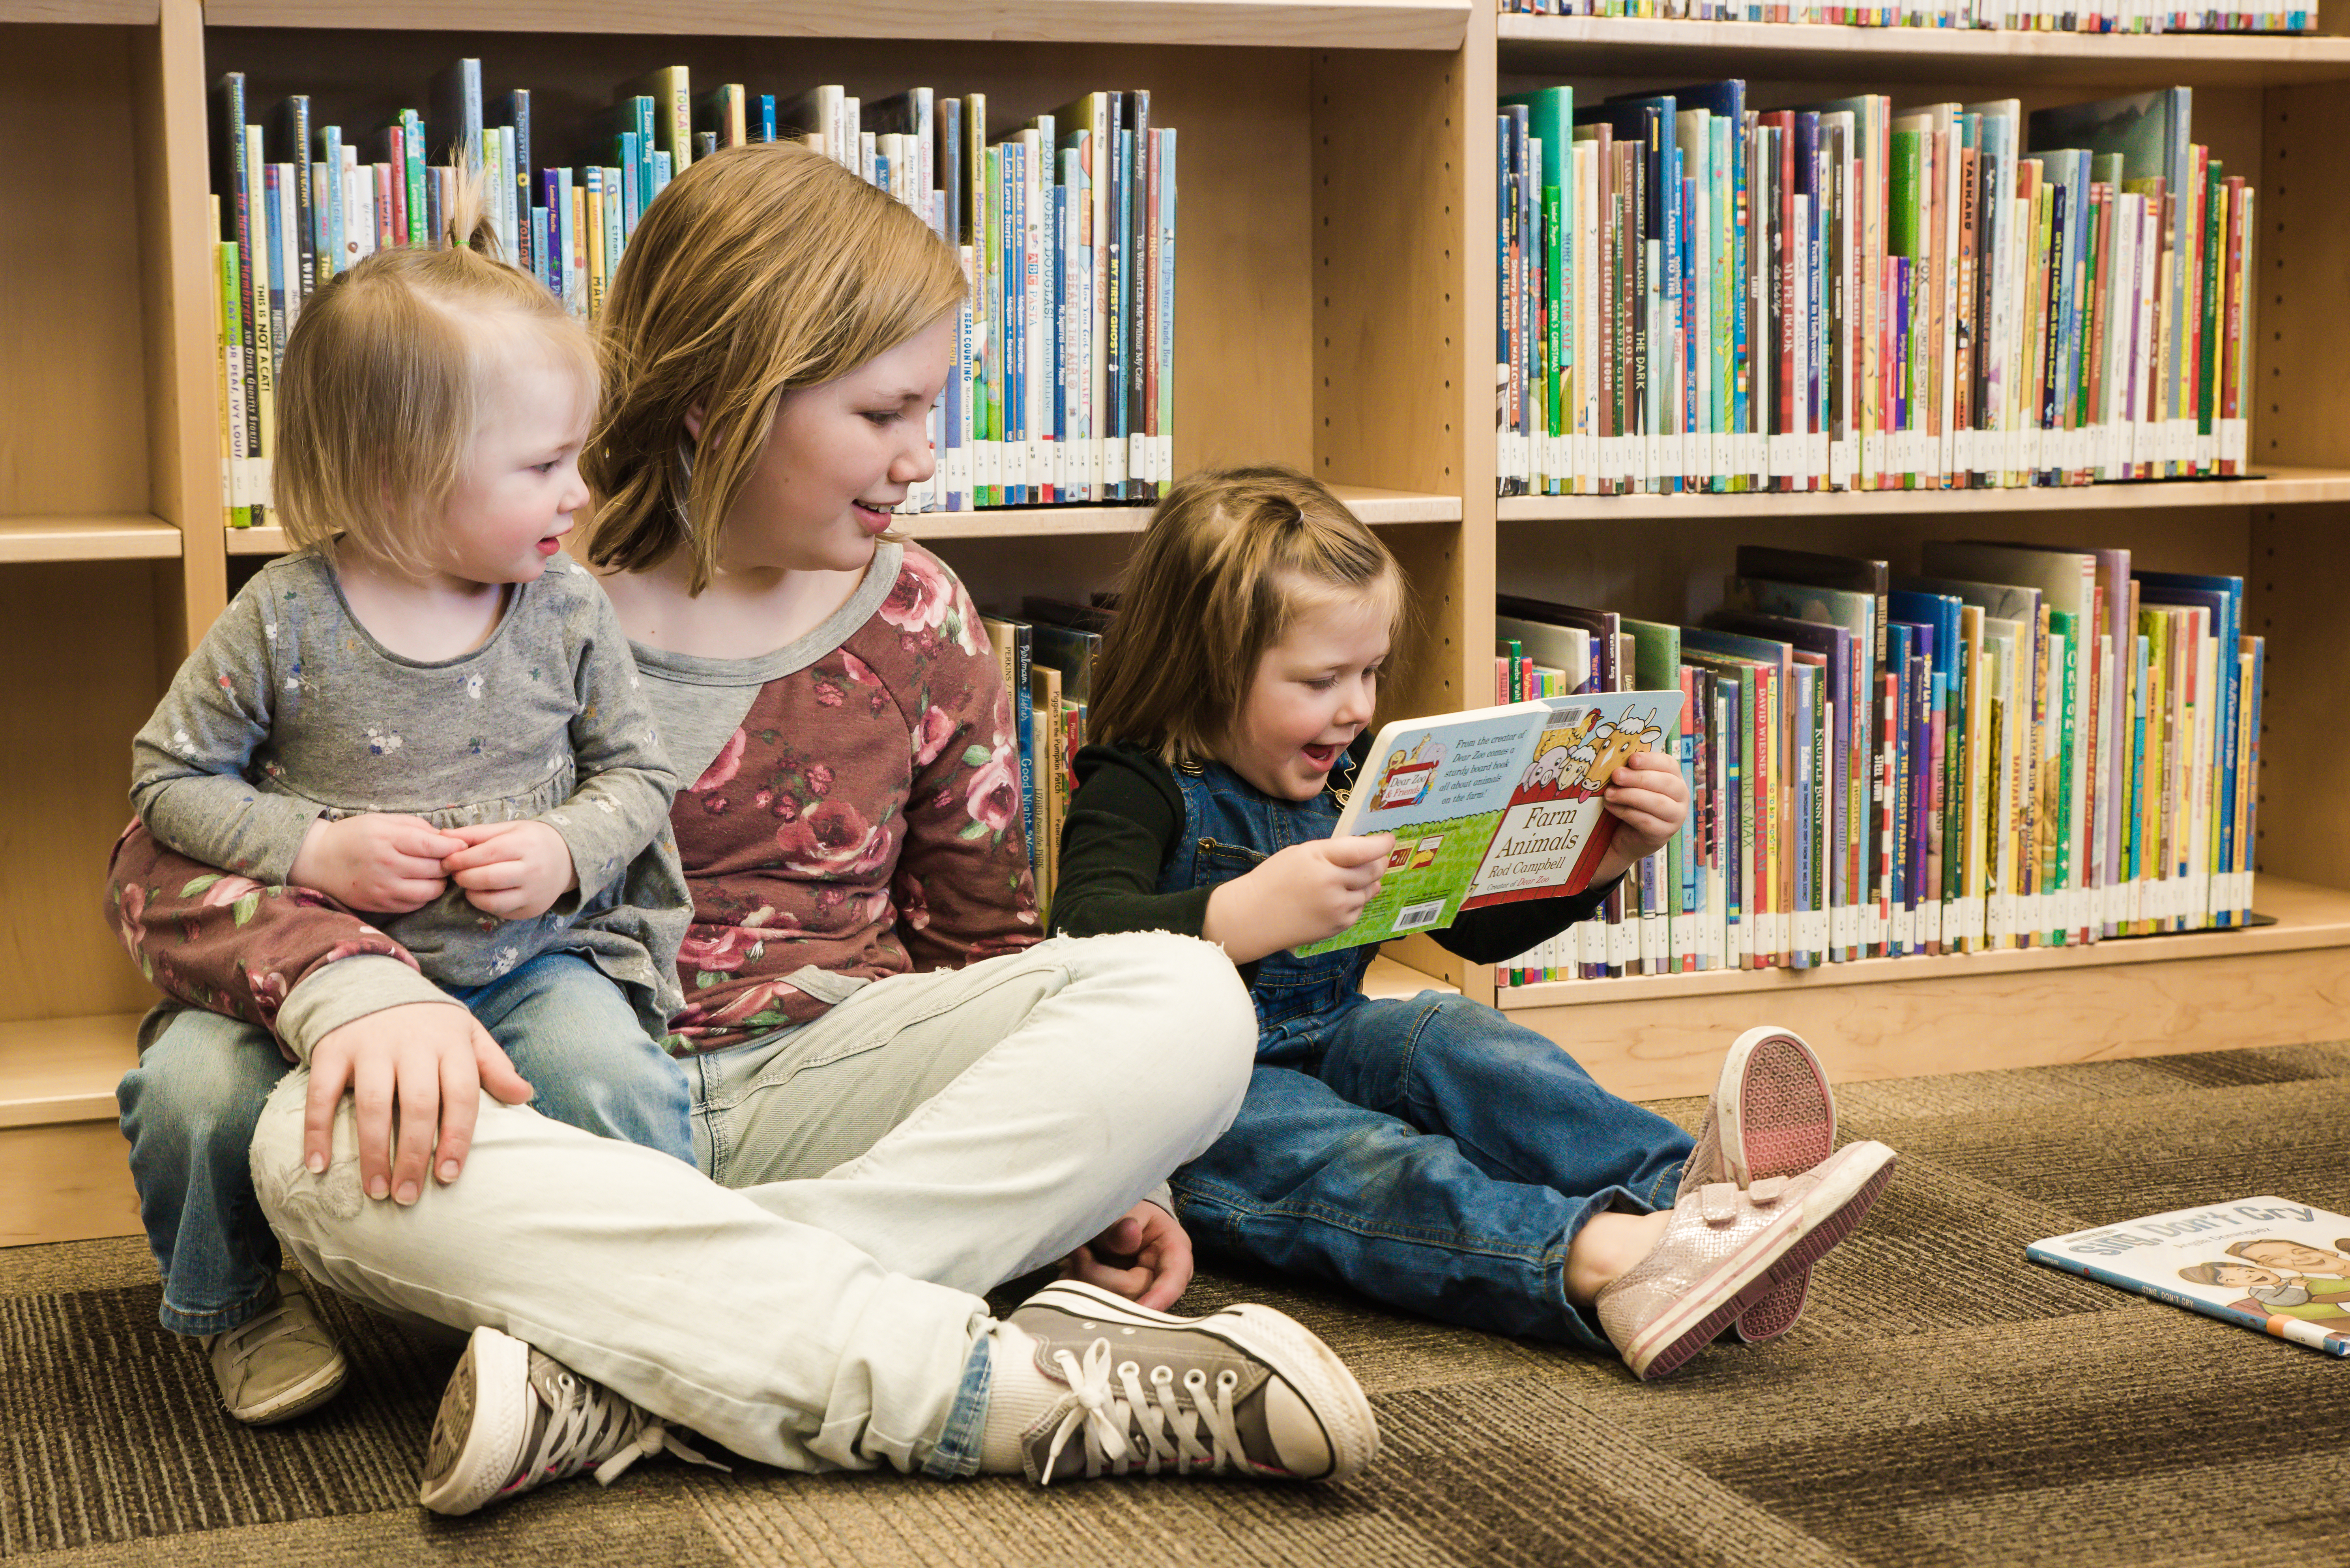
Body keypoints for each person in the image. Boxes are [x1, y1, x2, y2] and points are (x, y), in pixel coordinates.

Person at [103, 144, 1377, 1512]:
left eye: (929, 407)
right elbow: (162, 850)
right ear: (725, 401)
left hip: (816, 1082)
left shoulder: (919, 615)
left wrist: (1096, 1160)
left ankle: (639, 1351)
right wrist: (352, 995)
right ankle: (948, 1375)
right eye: (884, 409)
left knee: (1185, 994)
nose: (921, 453)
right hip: (535, 1102)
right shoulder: (483, 554)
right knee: (302, 1131)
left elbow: (988, 945)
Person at [1048, 465, 1899, 1380]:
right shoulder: (1133, 784)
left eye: (1370, 670)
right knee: (1369, 1160)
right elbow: (1080, 939)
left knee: (1457, 1034)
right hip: (1199, 1100)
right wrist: (1239, 913)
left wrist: (1601, 857)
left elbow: (1472, 933)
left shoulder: (1355, 768)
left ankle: (1705, 1198)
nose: (1358, 706)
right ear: (1205, 667)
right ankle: (1610, 1261)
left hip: (1337, 1032)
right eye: (1320, 678)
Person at [117, 179, 696, 1428]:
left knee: (616, 1079)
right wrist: (311, 848)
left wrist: (557, 850)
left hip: (529, 960)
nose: (579, 494)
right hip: (296, 983)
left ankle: (658, 1306)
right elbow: (166, 783)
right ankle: (240, 1311)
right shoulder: (282, 616)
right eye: (543, 465)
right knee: (190, 1095)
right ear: (399, 469)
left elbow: (641, 779)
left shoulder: (568, 610)